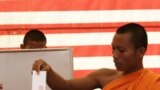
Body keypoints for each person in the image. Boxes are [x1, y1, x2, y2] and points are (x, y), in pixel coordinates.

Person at [32, 23, 160, 90]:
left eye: (121, 50)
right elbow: (67, 87)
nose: (114, 55)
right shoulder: (104, 76)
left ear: (141, 52)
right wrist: (48, 72)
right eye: (113, 48)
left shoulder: (154, 83)